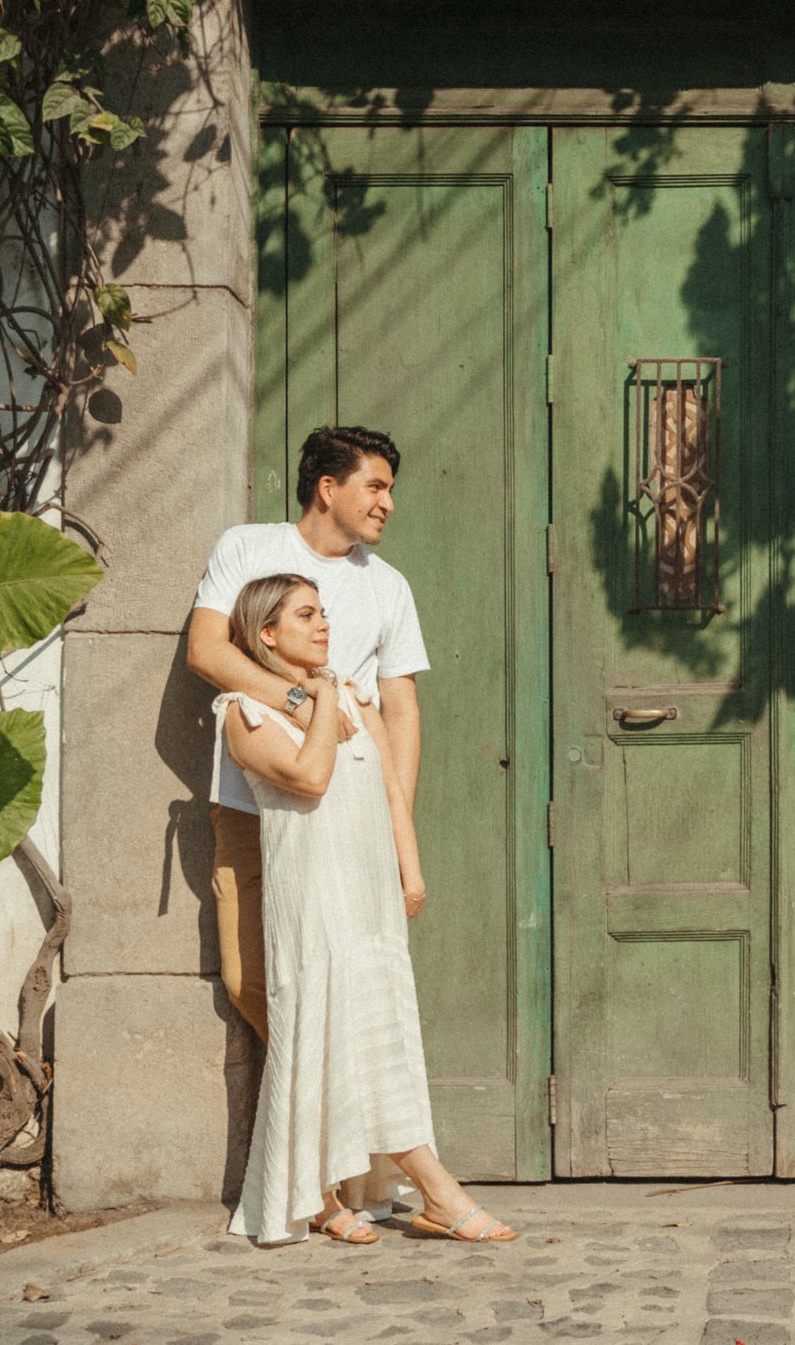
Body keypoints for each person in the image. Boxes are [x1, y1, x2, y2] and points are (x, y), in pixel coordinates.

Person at [186, 425, 512, 1244]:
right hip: (257, 803)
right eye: (374, 486)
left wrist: (397, 833)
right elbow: (205, 650)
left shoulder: (386, 587)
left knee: (351, 989)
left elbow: (399, 709)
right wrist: (302, 703)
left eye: (389, 489)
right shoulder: (249, 547)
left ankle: (332, 1184)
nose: (387, 503)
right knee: (258, 983)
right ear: (325, 485)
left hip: (349, 818)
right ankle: (329, 1166)